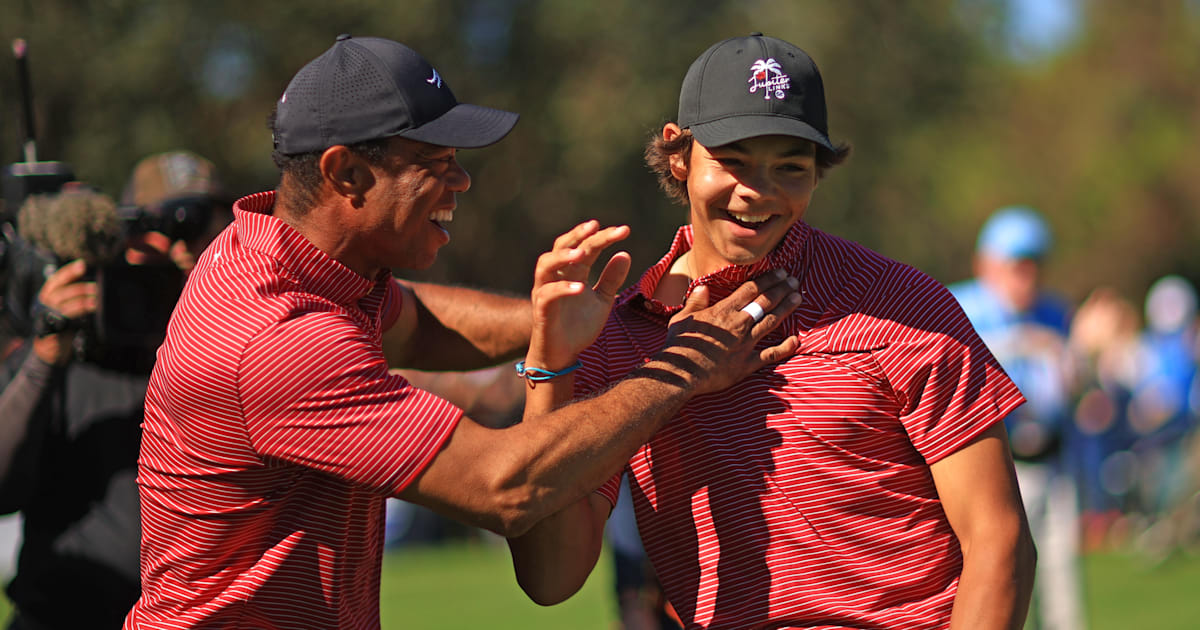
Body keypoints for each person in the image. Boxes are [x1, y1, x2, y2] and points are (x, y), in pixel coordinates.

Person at [123, 34, 803, 629]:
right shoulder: (278, 338)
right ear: (345, 173)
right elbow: (506, 488)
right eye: (436, 163)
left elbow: (418, 325)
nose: (464, 181)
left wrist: (580, 325)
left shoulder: (278, 255)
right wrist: (682, 366)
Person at [506, 33, 1036, 630]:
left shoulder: (901, 305)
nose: (758, 192)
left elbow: (999, 539)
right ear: (679, 156)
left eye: (790, 167)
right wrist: (550, 363)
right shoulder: (621, 334)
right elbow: (550, 580)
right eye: (733, 161)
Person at [0, 151, 231, 630]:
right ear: (124, 236)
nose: (179, 249)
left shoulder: (234, 346)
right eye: (162, 229)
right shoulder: (68, 343)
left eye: (201, 231)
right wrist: (46, 353)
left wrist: (206, 311)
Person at [949, 205, 1084, 629]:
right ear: (986, 264)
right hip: (989, 464)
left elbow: (1068, 391)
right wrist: (1024, 342)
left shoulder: (1054, 311)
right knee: (996, 579)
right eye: (1015, 266)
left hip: (1051, 460)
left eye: (1033, 265)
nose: (1026, 277)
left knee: (1062, 581)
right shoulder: (958, 304)